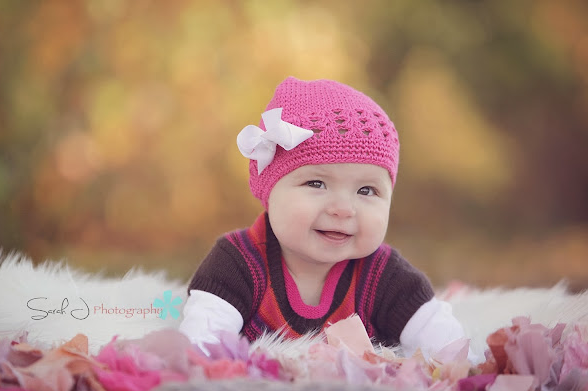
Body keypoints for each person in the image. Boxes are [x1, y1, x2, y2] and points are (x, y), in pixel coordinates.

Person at [179, 76, 466, 359]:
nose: (343, 209)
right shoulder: (238, 261)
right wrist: (202, 358)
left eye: (366, 190)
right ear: (270, 189)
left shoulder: (383, 275)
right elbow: (203, 341)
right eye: (316, 184)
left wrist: (463, 364)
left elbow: (442, 339)